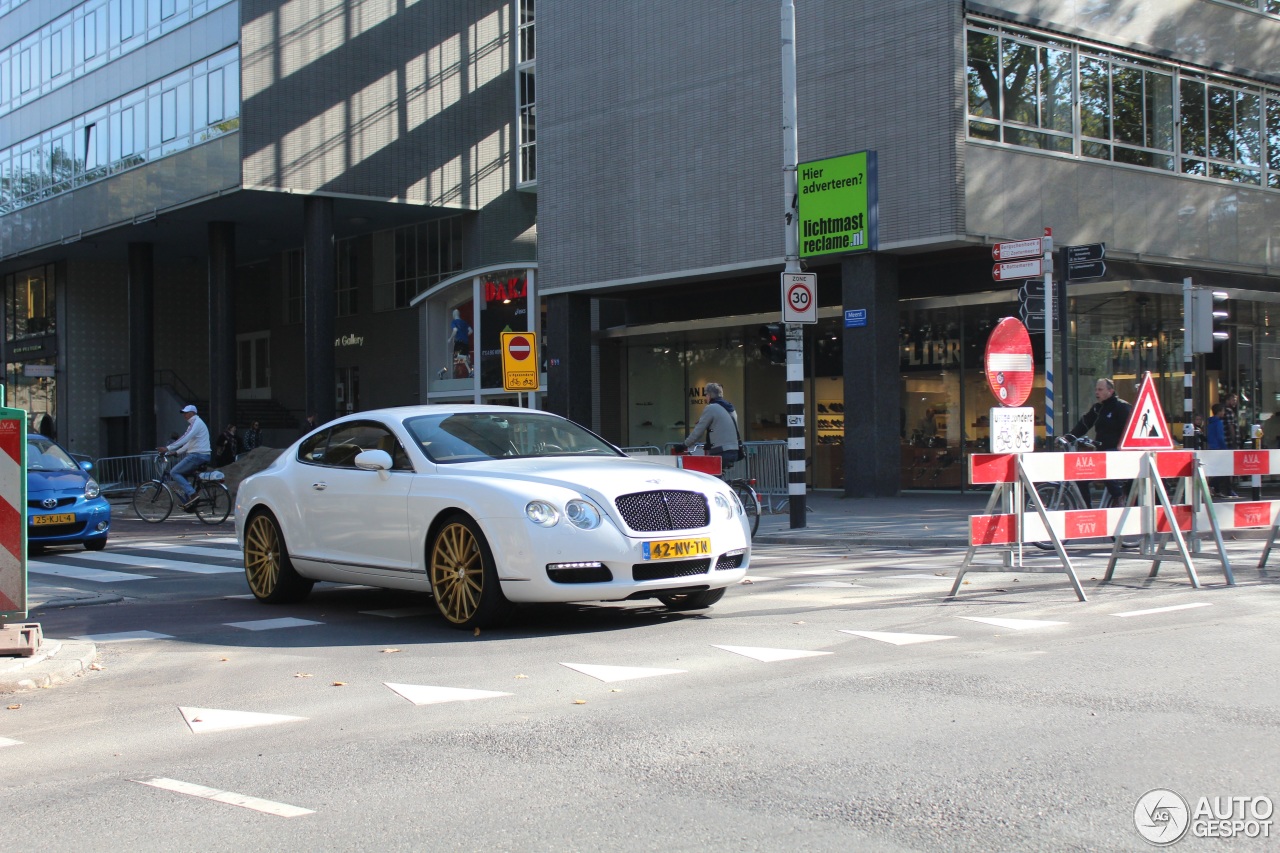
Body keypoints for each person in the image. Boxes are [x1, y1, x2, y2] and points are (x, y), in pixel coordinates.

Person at [1067, 377, 1133, 507]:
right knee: (1081, 478)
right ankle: (1087, 511)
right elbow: (1085, 424)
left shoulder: (1122, 407)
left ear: (1110, 391)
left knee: (1104, 466)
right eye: (1096, 389)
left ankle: (1118, 496)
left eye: (1100, 389)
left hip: (1117, 453)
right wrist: (1069, 437)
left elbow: (1131, 430)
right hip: (1102, 453)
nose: (1097, 392)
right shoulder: (1098, 408)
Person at [156, 404, 211, 511]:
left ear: (192, 413)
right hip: (202, 455)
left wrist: (167, 448)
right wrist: (176, 452)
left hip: (197, 455)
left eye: (186, 413)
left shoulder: (195, 423)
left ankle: (193, 495)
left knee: (174, 472)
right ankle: (190, 503)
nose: (184, 415)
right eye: (184, 413)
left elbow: (185, 438)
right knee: (183, 473)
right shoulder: (195, 424)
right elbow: (189, 443)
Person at [681, 382, 743, 469]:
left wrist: (684, 445)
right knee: (717, 475)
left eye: (706, 395)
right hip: (735, 450)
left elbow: (698, 431)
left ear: (710, 395)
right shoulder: (730, 408)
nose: (706, 398)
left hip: (721, 452)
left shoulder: (711, 408)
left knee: (706, 475)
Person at [1207, 402, 1236, 498]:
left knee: (1216, 470)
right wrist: (1225, 448)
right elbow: (1220, 437)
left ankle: (1217, 490)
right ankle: (1211, 484)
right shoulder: (1219, 423)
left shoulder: (1210, 423)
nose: (1224, 413)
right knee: (1224, 470)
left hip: (1212, 448)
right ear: (1219, 412)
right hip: (1219, 449)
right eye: (1223, 411)